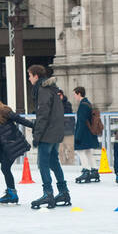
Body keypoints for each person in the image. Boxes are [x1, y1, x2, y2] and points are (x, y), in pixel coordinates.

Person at [28, 64, 71, 209]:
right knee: (54, 162)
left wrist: (37, 136)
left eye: (30, 76)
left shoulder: (43, 90)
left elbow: (42, 115)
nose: (29, 79)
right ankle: (63, 192)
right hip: (56, 132)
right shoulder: (53, 89)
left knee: (43, 164)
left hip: (47, 133)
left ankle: (48, 193)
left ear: (36, 76)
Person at [0, 89, 33, 204]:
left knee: (5, 168)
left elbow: (19, 119)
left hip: (12, 144)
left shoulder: (3, 110)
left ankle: (12, 194)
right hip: (3, 146)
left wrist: (34, 126)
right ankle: (11, 193)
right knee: (5, 168)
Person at [72, 86, 102, 184]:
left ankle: (86, 171)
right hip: (89, 133)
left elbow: (81, 121)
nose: (74, 96)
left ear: (79, 94)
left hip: (84, 133)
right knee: (88, 152)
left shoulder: (83, 105)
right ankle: (94, 170)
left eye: (75, 94)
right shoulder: (88, 103)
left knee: (81, 151)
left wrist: (78, 136)